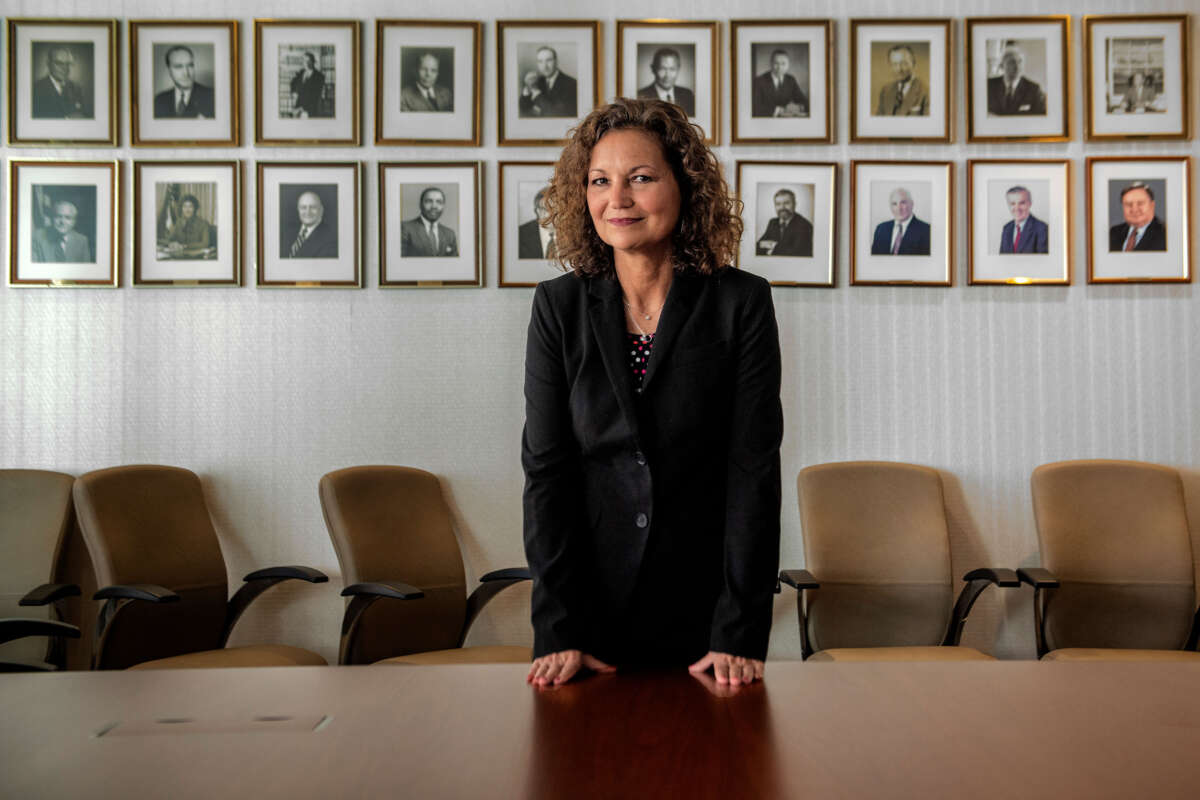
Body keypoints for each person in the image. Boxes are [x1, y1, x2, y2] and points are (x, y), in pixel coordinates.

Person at [523, 97, 782, 688]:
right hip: (590, 619)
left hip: (705, 619)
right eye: (599, 181)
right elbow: (547, 474)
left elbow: (752, 472)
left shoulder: (741, 304)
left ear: (684, 187)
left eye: (641, 178)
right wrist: (558, 629)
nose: (618, 199)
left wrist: (738, 631)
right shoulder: (557, 309)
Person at [152, 45, 215, 119]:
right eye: (178, 66)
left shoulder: (212, 97)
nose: (186, 73)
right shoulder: (159, 100)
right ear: (169, 71)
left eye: (190, 65)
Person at [31, 46, 91, 119]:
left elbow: (84, 115)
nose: (64, 68)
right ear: (48, 64)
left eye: (67, 64)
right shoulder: (35, 89)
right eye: (59, 63)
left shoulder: (76, 88)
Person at [986, 46, 1046, 116]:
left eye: (1020, 61)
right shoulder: (989, 85)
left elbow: (1041, 118)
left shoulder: (1034, 89)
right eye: (1012, 62)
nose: (1017, 66)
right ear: (1001, 66)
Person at [519, 46, 577, 118]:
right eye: (540, 61)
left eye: (549, 60)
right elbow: (523, 108)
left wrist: (536, 93)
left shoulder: (572, 84)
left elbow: (558, 114)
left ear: (556, 61)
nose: (544, 66)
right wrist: (528, 87)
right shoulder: (537, 81)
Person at [870, 187, 930, 255]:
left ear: (912, 204)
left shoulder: (926, 231)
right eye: (894, 204)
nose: (899, 208)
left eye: (903, 202)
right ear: (890, 207)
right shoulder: (881, 229)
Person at [400, 187, 458, 257]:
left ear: (443, 206)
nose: (434, 206)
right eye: (429, 201)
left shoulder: (450, 234)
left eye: (439, 202)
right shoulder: (405, 228)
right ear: (420, 205)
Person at [1108, 182, 1166, 252]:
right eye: (1128, 204)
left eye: (1140, 203)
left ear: (1152, 205)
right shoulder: (1113, 233)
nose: (1134, 209)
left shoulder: (1165, 234)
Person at [637, 48, 696, 116]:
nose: (667, 75)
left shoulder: (687, 95)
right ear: (653, 69)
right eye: (662, 69)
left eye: (672, 69)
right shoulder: (641, 96)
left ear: (678, 69)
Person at [751, 49, 808, 118]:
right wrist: (778, 110)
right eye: (776, 63)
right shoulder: (759, 81)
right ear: (771, 64)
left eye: (783, 64)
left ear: (788, 65)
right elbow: (754, 107)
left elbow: (804, 101)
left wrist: (799, 107)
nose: (779, 67)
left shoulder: (791, 80)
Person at [756, 188, 813, 256]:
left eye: (786, 203)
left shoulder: (804, 226)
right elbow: (758, 246)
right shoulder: (773, 223)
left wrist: (772, 247)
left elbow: (797, 254)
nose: (782, 207)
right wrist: (775, 246)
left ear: (795, 204)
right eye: (778, 204)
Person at [281, 190, 337, 258]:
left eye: (313, 207)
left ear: (321, 210)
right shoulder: (287, 232)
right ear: (298, 209)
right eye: (303, 207)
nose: (308, 212)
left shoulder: (331, 239)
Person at [875, 44, 927, 116]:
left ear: (913, 63)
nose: (899, 69)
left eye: (904, 63)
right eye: (895, 64)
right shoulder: (885, 91)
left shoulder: (926, 92)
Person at [998, 186, 1048, 255]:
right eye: (1012, 203)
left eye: (1021, 203)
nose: (1017, 208)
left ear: (1029, 204)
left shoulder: (1042, 229)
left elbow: (1044, 262)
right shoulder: (1007, 228)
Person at [518, 186, 555, 259]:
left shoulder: (575, 232)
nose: (553, 214)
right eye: (547, 209)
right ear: (538, 211)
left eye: (557, 208)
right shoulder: (520, 234)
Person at [290, 52, 328, 118]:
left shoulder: (319, 77)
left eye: (308, 61)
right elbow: (292, 84)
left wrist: (301, 108)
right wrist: (294, 93)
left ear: (313, 62)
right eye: (304, 61)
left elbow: (315, 96)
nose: (306, 63)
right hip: (297, 109)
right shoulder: (300, 73)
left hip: (310, 110)